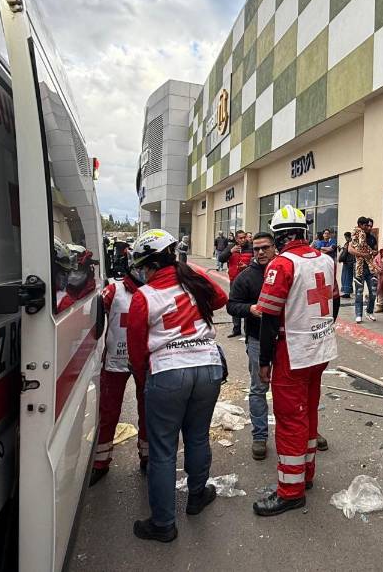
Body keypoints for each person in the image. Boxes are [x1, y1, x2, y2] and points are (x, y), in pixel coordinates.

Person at [126, 229, 228, 542]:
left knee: (163, 450)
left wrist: (143, 378)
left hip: (168, 373)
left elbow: (136, 347)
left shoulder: (144, 296)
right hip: (208, 366)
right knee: (197, 437)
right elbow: (221, 298)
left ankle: (163, 523)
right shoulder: (192, 279)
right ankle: (196, 496)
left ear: (148, 265)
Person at [253, 205, 339, 517]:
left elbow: (268, 317)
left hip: (293, 353)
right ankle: (306, 473)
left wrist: (264, 360)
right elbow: (335, 302)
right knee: (309, 412)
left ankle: (291, 491)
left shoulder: (282, 264)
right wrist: (321, 331)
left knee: (290, 419)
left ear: (278, 236)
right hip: (321, 350)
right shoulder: (326, 260)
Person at [91, 248, 148, 486]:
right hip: (115, 361)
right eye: (140, 267)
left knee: (148, 411)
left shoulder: (155, 290)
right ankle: (100, 462)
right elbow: (91, 317)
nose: (144, 271)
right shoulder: (114, 290)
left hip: (145, 361)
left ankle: (147, 457)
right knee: (108, 412)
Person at [225, 232, 276, 460]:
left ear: (274, 247)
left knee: (291, 388)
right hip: (257, 340)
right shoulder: (246, 277)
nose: (261, 252)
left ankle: (305, 433)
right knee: (258, 389)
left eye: (265, 247)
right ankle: (260, 436)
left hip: (286, 340)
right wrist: (250, 309)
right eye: (256, 249)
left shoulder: (286, 270)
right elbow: (231, 305)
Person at [224, 231, 253, 338]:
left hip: (248, 280)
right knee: (235, 304)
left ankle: (247, 330)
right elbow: (221, 258)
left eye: (244, 237)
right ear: (236, 239)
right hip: (234, 281)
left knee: (248, 305)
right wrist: (230, 252)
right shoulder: (231, 247)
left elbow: (257, 261)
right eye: (240, 238)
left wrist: (247, 266)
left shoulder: (251, 248)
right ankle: (236, 329)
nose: (243, 239)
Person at [350, 216, 379, 323]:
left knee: (373, 292)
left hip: (370, 268)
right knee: (359, 292)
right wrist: (363, 254)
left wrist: (373, 253)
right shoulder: (356, 235)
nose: (369, 227)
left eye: (371, 226)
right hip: (359, 267)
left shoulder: (372, 238)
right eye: (367, 225)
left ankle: (369, 311)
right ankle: (358, 314)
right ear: (362, 225)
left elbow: (375, 251)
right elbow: (350, 250)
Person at [338, 231, 353, 298]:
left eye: (346, 237)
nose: (346, 238)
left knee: (347, 277)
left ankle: (347, 292)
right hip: (346, 262)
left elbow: (347, 252)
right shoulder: (347, 243)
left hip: (349, 262)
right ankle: (346, 292)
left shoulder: (351, 243)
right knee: (344, 277)